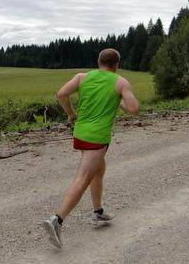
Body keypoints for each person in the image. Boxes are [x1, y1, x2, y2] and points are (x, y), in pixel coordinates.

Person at [42, 48, 139, 248]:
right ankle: (57, 220)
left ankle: (98, 212)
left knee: (99, 170)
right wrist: (120, 103)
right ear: (117, 64)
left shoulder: (81, 77)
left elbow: (61, 94)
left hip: (80, 133)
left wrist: (71, 113)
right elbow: (134, 109)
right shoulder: (120, 82)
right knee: (83, 178)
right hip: (97, 138)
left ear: (98, 62)